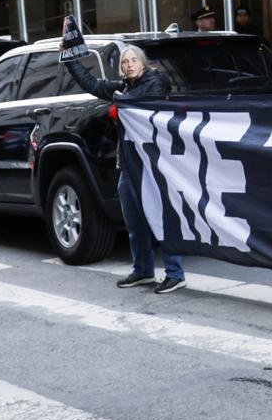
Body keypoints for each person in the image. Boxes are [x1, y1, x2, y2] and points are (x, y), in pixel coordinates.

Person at [64, 44, 187, 294]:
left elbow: (143, 102)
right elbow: (91, 83)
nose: (128, 64)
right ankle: (143, 270)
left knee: (160, 217)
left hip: (151, 164)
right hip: (128, 164)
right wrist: (70, 58)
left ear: (142, 64)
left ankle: (175, 273)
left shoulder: (155, 82)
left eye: (133, 60)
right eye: (124, 62)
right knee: (134, 221)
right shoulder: (123, 88)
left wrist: (121, 99)